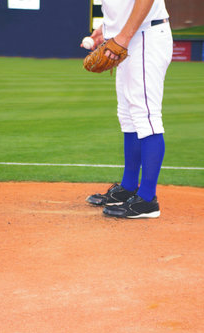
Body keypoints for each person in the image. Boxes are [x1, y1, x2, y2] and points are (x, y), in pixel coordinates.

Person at [85, 0, 173, 219]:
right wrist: (105, 29)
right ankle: (129, 187)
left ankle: (147, 200)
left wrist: (123, 36)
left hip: (144, 35)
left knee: (146, 116)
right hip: (125, 38)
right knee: (128, 117)